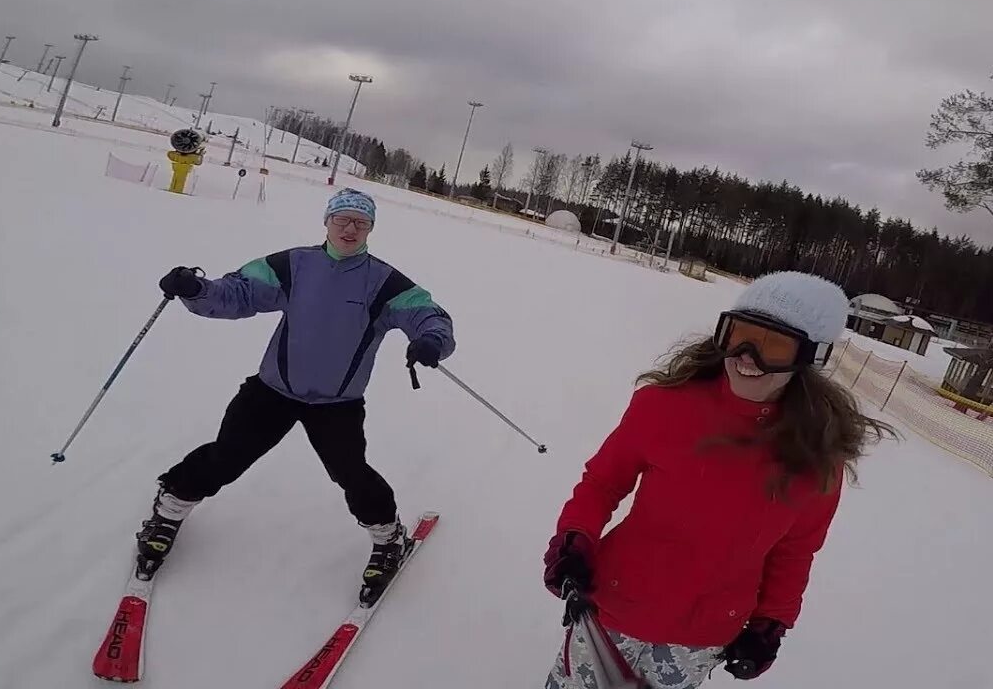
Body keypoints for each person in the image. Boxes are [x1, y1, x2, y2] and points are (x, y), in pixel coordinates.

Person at [542, 271, 894, 688]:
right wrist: (575, 538)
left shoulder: (816, 460)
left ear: (808, 358)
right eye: (739, 335)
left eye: (773, 347)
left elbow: (794, 552)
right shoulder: (662, 406)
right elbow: (602, 483)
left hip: (700, 636)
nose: (747, 357)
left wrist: (771, 623)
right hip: (614, 605)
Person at [136, 187, 455, 605]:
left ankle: (388, 536)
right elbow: (239, 292)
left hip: (336, 405)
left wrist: (431, 339)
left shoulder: (384, 281)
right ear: (327, 222)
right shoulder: (294, 265)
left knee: (351, 473)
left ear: (371, 229)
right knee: (228, 454)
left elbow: (428, 313)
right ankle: (170, 508)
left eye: (361, 222)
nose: (350, 228)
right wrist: (196, 288)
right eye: (342, 219)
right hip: (272, 391)